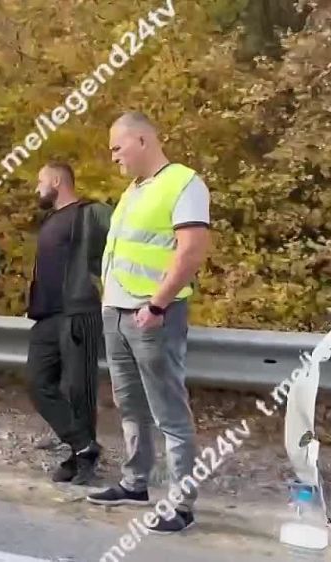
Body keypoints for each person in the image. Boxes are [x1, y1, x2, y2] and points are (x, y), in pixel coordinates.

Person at [86, 112, 211, 534]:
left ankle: (182, 504)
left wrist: (156, 306)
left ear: (141, 140)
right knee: (129, 405)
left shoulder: (184, 183)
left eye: (117, 148)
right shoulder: (132, 191)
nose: (113, 157)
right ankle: (135, 482)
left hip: (154, 315)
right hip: (117, 312)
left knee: (169, 411)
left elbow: (191, 250)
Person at [26, 160, 112, 485]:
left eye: (41, 181)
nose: (37, 188)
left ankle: (82, 462)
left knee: (79, 389)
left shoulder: (91, 213)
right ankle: (83, 445)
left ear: (58, 181)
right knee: (37, 383)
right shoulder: (50, 220)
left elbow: (123, 241)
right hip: (47, 315)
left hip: (79, 312)